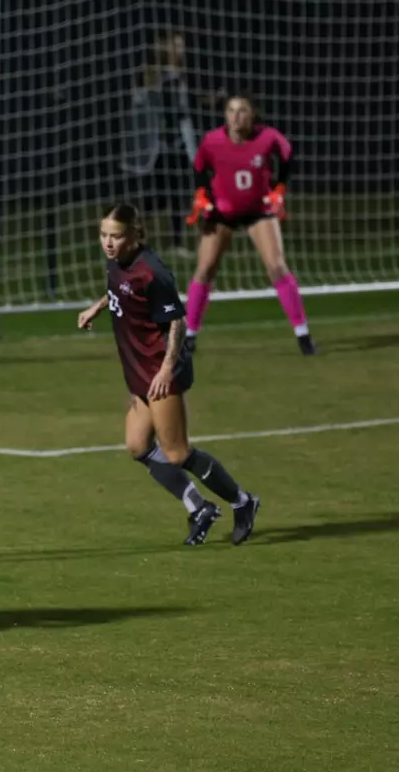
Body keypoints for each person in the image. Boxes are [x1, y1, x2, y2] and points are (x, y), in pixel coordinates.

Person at [77, 203, 261, 546]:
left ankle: (243, 501)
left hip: (160, 369)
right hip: (138, 368)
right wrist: (97, 307)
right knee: (138, 446)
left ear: (134, 234)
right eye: (103, 235)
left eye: (116, 236)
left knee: (176, 453)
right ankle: (199, 508)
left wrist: (165, 369)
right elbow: (121, 290)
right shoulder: (117, 262)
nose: (108, 243)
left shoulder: (153, 271)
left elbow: (177, 321)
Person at [184, 92, 315, 354]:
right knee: (205, 268)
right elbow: (199, 169)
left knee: (276, 266)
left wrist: (279, 190)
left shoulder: (268, 137)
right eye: (231, 110)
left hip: (258, 211)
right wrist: (201, 195)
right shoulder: (212, 140)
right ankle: (189, 336)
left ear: (252, 114)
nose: (236, 116)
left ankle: (303, 336)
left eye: (242, 110)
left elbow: (288, 158)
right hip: (222, 212)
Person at [121, 30, 209, 255]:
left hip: (179, 144)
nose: (179, 50)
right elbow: (157, 104)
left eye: (180, 46)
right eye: (174, 45)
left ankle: (176, 243)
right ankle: (128, 227)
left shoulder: (183, 74)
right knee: (157, 197)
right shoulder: (150, 73)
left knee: (179, 194)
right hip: (156, 145)